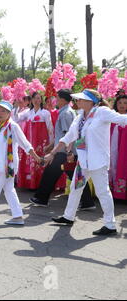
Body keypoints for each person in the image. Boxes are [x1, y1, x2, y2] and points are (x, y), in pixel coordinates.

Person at [47, 89, 127, 236]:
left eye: (80, 99)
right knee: (75, 188)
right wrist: (52, 153)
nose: (77, 101)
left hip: (98, 162)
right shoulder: (79, 117)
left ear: (90, 101)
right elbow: (68, 137)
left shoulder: (102, 111)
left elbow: (123, 119)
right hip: (83, 162)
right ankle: (68, 217)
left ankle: (110, 225)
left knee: (103, 192)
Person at [30, 89, 95, 209]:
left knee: (49, 174)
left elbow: (68, 135)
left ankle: (41, 198)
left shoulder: (66, 113)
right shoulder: (66, 112)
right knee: (74, 176)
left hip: (64, 152)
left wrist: (68, 152)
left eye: (57, 98)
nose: (56, 100)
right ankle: (87, 202)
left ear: (63, 100)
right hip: (65, 151)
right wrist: (51, 146)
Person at [17, 92, 54, 190]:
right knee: (30, 161)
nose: (36, 100)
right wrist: (18, 102)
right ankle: (31, 184)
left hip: (41, 142)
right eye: (34, 99)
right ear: (31, 100)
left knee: (41, 161)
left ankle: (41, 184)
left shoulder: (45, 113)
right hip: (30, 141)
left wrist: (51, 143)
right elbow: (17, 117)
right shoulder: (27, 112)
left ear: (41, 100)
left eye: (38, 98)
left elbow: (50, 128)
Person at [109, 94, 127, 200]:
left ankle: (122, 193)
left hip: (124, 150)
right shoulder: (111, 117)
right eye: (119, 102)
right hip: (112, 149)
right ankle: (112, 192)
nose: (122, 105)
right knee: (112, 166)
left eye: (125, 103)